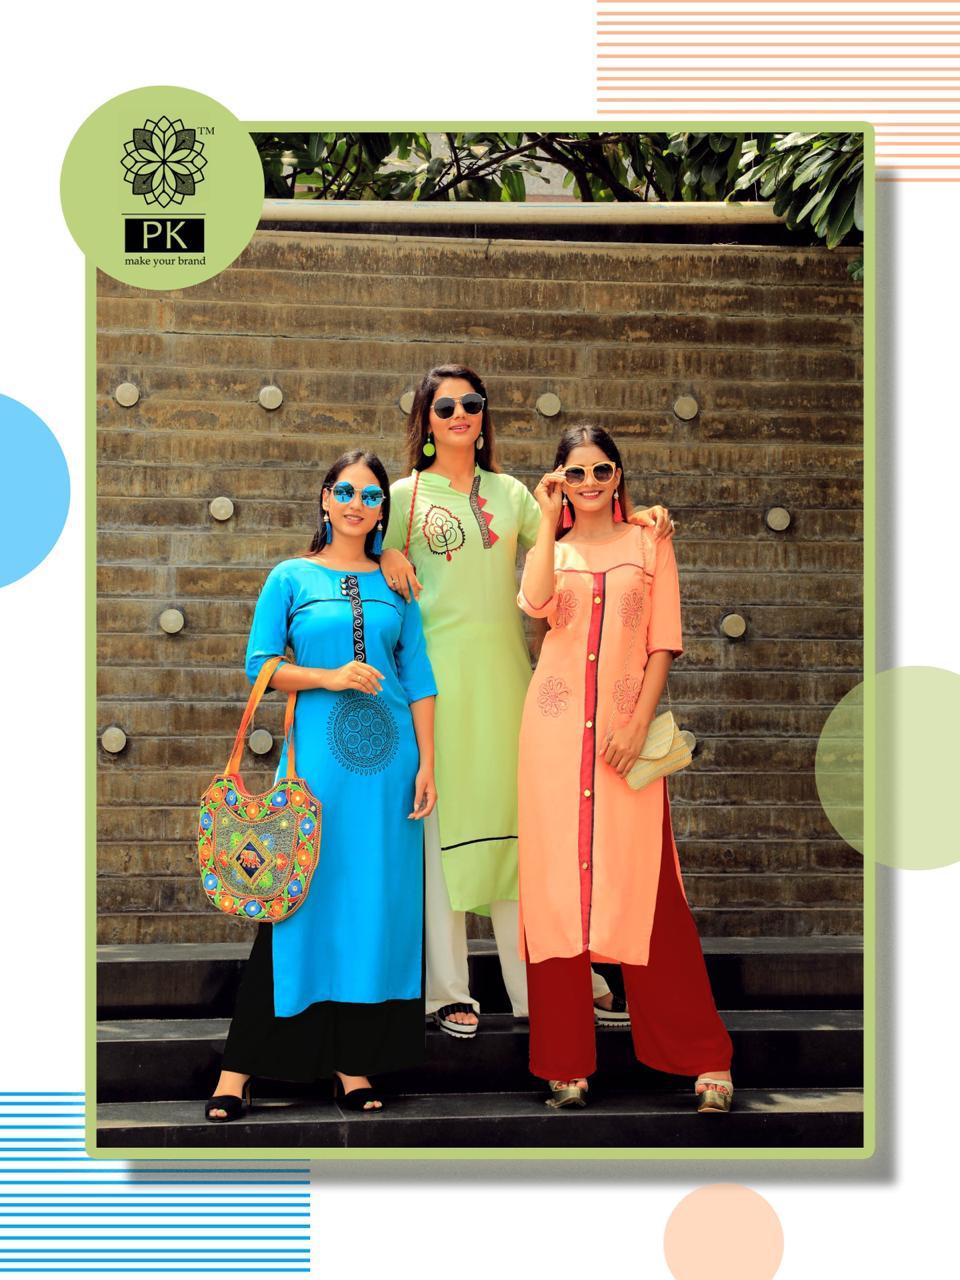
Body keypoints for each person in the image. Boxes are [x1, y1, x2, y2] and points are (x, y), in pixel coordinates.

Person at [379, 366, 672, 1038]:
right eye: (445, 406)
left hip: (512, 683)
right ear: (426, 419)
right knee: (441, 831)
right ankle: (448, 991)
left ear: (484, 415)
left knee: (524, 835)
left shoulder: (510, 493)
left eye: (471, 403)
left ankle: (541, 987)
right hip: (433, 686)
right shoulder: (401, 496)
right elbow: (353, 551)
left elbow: (579, 531)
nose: (460, 414)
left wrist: (641, 519)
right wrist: (385, 555)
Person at [205, 450, 437, 1119]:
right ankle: (238, 1070)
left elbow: (419, 676)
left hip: (389, 772)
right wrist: (329, 677)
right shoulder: (291, 576)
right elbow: (260, 664)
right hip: (315, 773)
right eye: (346, 491)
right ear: (325, 499)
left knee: (371, 908)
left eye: (371, 495)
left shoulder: (397, 582)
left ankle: (352, 1065)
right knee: (295, 905)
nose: (358, 503)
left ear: (382, 511)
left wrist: (427, 763)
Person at [516, 425, 734, 1113]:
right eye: (574, 473)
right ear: (560, 480)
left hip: (623, 738)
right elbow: (535, 604)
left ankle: (702, 1055)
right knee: (554, 895)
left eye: (601, 470)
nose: (589, 483)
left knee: (650, 888)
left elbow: (662, 640)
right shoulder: (553, 548)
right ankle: (564, 1063)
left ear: (618, 475)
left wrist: (638, 723)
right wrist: (546, 519)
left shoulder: (649, 541)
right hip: (552, 739)